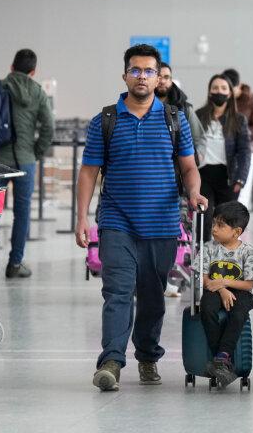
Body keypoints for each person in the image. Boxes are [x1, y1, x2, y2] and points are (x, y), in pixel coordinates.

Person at [74, 44, 206, 391]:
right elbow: (89, 172)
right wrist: (81, 218)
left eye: (149, 71)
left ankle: (147, 356)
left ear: (159, 76)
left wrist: (193, 193)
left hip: (161, 224)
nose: (142, 76)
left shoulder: (173, 119)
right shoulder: (105, 120)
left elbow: (189, 167)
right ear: (125, 75)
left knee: (151, 296)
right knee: (116, 292)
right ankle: (112, 362)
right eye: (136, 70)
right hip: (117, 222)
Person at [0, 48, 55, 280]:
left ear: (11, 67)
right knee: (22, 213)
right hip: (24, 160)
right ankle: (15, 264)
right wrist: (36, 151)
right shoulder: (37, 92)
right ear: (33, 72)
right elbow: (49, 126)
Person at [198, 200, 253, 388]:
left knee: (239, 313)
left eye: (220, 225)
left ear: (237, 231)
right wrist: (222, 289)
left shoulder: (247, 252)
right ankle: (221, 360)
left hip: (240, 291)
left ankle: (222, 355)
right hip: (214, 290)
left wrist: (225, 282)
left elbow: (248, 285)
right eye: (214, 223)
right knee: (207, 309)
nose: (214, 229)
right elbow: (204, 279)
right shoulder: (208, 248)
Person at [195, 75, 251, 240]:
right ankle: (203, 254)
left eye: (223, 88)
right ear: (209, 92)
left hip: (228, 176)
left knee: (226, 221)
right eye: (215, 88)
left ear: (230, 93)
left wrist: (241, 178)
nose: (219, 91)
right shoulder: (198, 115)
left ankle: (224, 259)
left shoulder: (238, 120)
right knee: (204, 217)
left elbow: (244, 151)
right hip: (202, 175)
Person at [221, 69, 253, 208]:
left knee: (242, 190)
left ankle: (240, 222)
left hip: (247, 150)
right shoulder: (223, 100)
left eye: (231, 89)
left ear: (239, 86)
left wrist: (242, 132)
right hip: (225, 151)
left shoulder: (251, 99)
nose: (228, 92)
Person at [157, 62, 205, 163]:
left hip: (180, 170)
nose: (162, 81)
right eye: (158, 76)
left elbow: (199, 138)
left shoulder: (184, 108)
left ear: (171, 80)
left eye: (166, 77)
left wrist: (196, 159)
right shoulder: (141, 108)